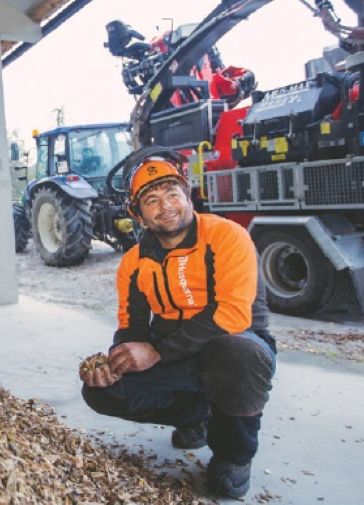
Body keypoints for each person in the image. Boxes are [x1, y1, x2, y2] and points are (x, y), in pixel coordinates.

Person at [79, 156, 277, 499]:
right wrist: (116, 361)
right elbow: (132, 326)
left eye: (172, 194)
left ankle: (233, 457)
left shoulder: (227, 236)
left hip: (234, 341)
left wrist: (157, 352)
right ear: (137, 214)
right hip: (172, 344)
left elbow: (231, 314)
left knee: (237, 354)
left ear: (188, 196)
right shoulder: (133, 263)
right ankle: (198, 416)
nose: (165, 206)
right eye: (151, 200)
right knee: (101, 392)